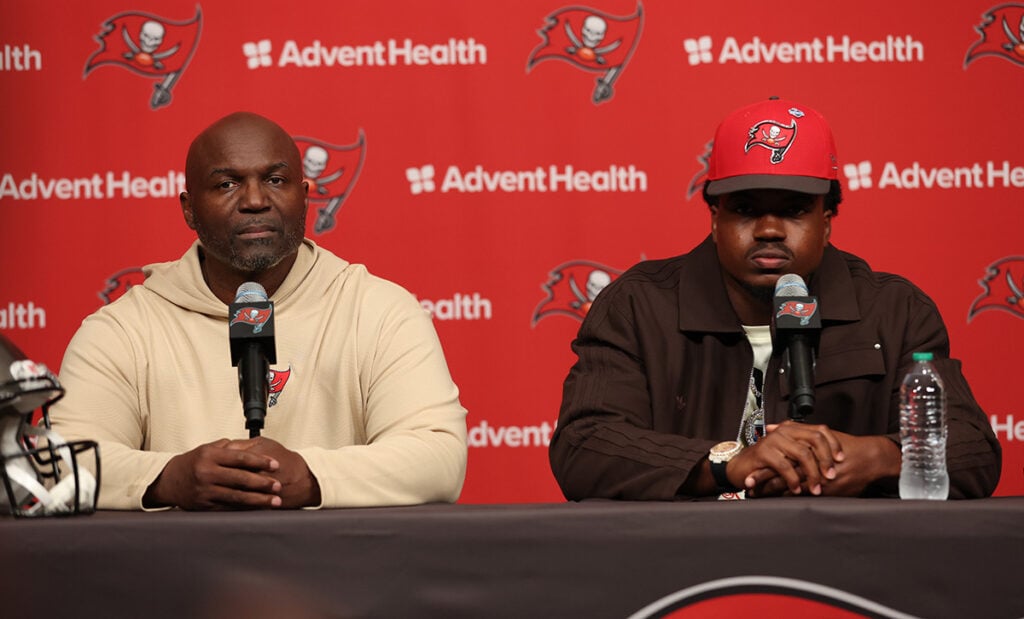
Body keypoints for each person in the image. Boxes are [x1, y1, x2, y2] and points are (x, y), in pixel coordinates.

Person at [549, 97, 1001, 500]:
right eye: (745, 210)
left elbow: (974, 449)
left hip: (849, 563)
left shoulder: (895, 311)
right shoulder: (638, 306)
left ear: (827, 220)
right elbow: (584, 443)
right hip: (687, 566)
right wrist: (727, 463)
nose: (768, 230)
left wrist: (882, 457)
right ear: (714, 219)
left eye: (794, 210)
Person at [51, 112, 468, 510]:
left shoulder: (378, 311)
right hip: (177, 579)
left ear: (304, 197)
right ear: (188, 208)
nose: (254, 200)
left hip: (339, 575)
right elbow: (58, 464)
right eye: (227, 184)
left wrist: (310, 476)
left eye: (274, 179)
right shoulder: (123, 329)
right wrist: (167, 477)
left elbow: (438, 458)